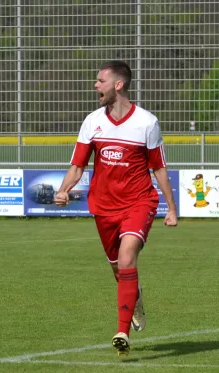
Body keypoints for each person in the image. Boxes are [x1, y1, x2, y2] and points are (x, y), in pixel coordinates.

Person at [55, 61, 178, 356]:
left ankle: (122, 331)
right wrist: (63, 189)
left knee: (126, 258)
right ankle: (134, 299)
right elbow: (77, 166)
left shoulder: (147, 122)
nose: (95, 86)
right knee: (117, 268)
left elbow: (159, 169)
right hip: (104, 207)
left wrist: (171, 209)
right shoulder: (92, 121)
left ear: (118, 85)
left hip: (139, 201)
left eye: (100, 81)